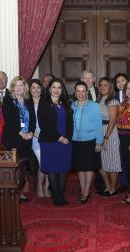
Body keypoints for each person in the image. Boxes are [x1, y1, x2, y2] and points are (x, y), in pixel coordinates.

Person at [38, 78, 73, 206]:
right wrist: (60, 138)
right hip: (50, 141)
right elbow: (44, 125)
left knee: (63, 169)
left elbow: (70, 123)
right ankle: (56, 196)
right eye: (54, 87)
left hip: (65, 142)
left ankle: (61, 195)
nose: (57, 90)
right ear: (49, 89)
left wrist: (68, 137)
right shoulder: (44, 103)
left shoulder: (66, 103)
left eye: (59, 87)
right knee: (53, 169)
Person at [71, 81, 103, 203]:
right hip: (75, 141)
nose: (80, 93)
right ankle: (83, 188)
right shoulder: (71, 105)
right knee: (80, 167)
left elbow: (99, 125)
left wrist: (99, 142)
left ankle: (85, 191)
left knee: (89, 167)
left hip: (90, 140)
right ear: (75, 92)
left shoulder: (94, 106)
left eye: (83, 91)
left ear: (87, 92)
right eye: (78, 91)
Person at [97, 77, 122, 197]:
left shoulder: (113, 101)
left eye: (105, 85)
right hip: (99, 132)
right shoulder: (99, 99)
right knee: (100, 162)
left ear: (110, 87)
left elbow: (112, 120)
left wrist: (106, 137)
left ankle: (113, 188)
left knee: (112, 161)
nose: (102, 87)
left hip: (110, 133)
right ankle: (107, 186)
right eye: (100, 85)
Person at [2, 76, 34, 158]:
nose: (19, 88)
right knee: (14, 165)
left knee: (25, 165)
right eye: (16, 85)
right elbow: (9, 120)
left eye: (21, 85)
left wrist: (31, 132)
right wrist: (21, 133)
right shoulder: (8, 99)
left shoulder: (29, 100)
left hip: (27, 138)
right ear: (13, 87)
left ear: (25, 87)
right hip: (13, 137)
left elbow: (33, 119)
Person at [29, 79, 50, 198]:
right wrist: (36, 134)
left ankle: (46, 187)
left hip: (48, 137)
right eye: (33, 88)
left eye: (38, 87)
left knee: (49, 163)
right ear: (29, 90)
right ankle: (39, 187)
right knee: (43, 164)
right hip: (35, 138)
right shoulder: (27, 104)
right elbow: (25, 123)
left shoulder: (46, 102)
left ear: (41, 89)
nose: (36, 90)